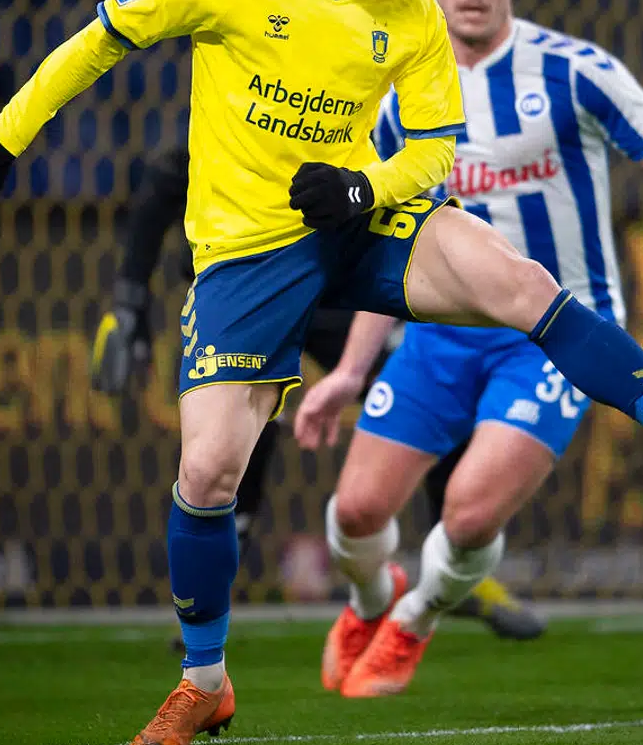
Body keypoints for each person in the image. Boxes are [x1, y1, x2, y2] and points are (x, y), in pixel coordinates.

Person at [0, 0, 643, 745]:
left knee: (520, 278)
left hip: (358, 223)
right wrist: (1, 140)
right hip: (247, 254)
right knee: (207, 474)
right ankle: (205, 677)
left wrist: (367, 189)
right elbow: (103, 39)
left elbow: (435, 151)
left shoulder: (409, 12)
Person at [291, 0, 643, 699]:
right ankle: (369, 599)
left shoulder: (574, 71)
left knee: (473, 514)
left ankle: (413, 620)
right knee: (355, 514)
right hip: (438, 336)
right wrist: (347, 371)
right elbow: (389, 242)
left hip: (556, 336)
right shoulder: (389, 88)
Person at [90, 143, 547, 642]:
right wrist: (128, 302)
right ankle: (208, 604)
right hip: (246, 294)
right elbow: (164, 180)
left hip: (335, 291)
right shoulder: (245, 108)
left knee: (426, 397)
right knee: (231, 444)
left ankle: (461, 571)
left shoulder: (351, 108)